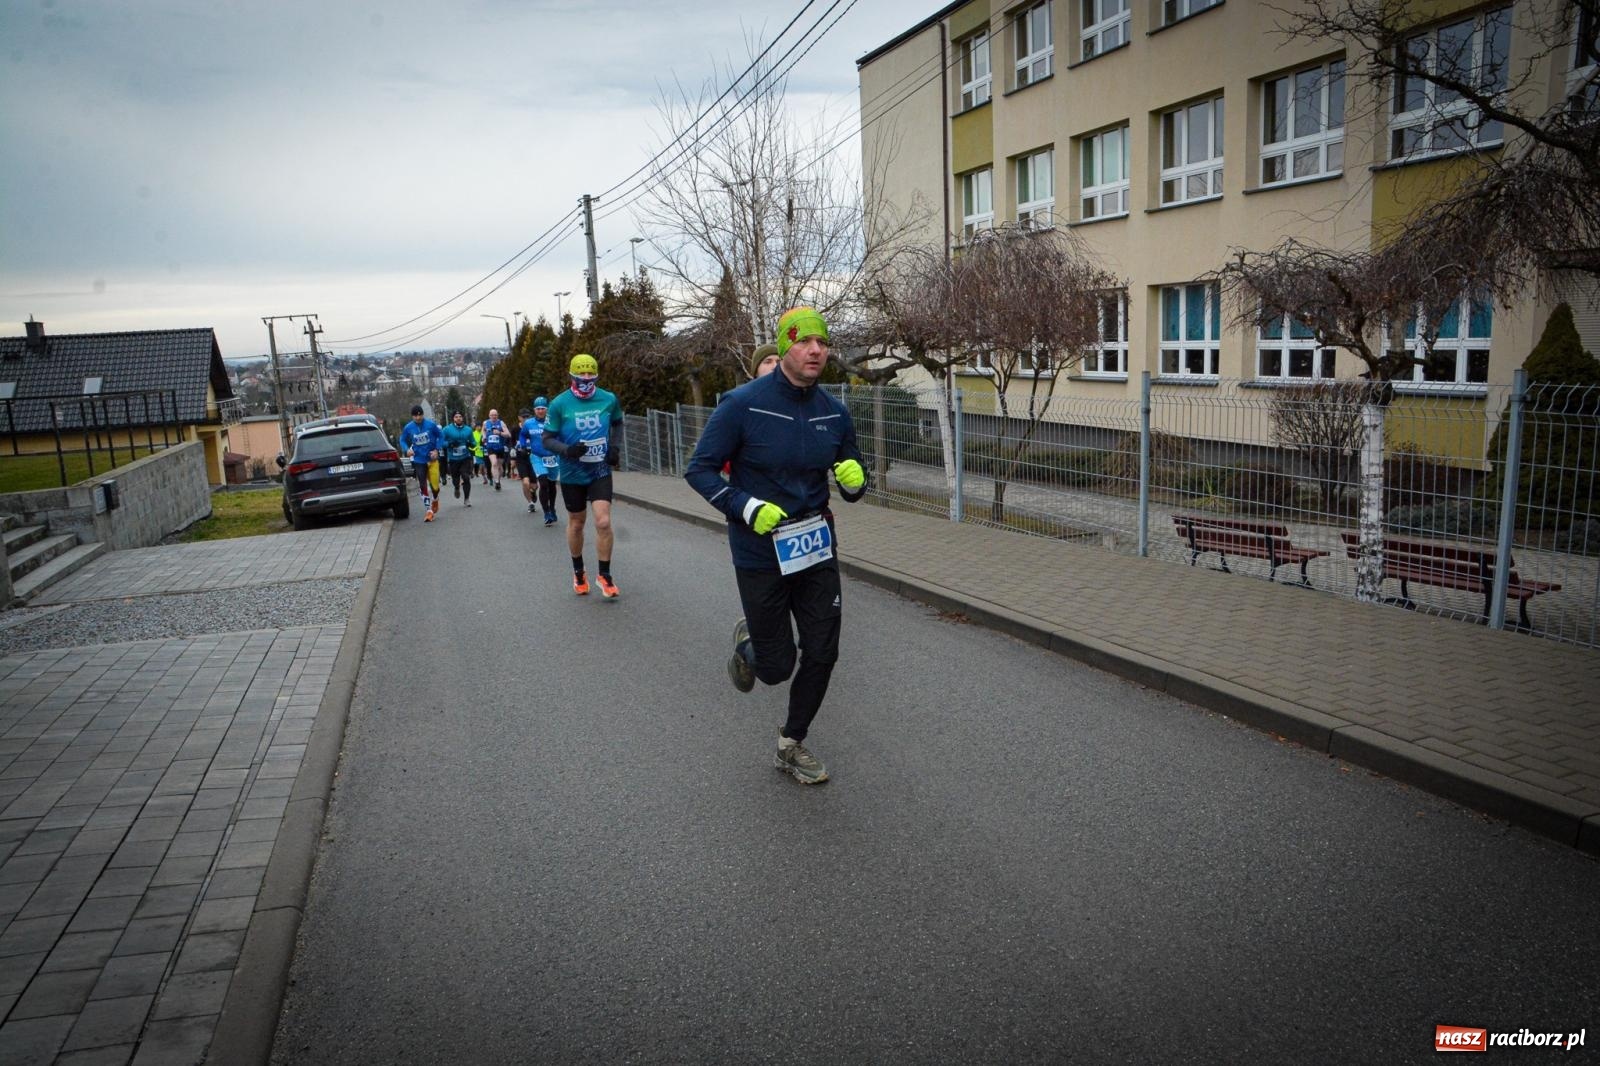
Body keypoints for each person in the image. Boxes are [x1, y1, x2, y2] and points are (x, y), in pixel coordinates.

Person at [684, 307, 867, 785]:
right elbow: (699, 469)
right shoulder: (742, 405)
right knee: (775, 668)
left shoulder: (833, 410)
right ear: (784, 347)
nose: (815, 350)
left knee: (824, 651)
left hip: (815, 545)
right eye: (804, 342)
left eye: (822, 343)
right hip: (760, 550)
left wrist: (855, 481)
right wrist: (745, 507)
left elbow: (851, 473)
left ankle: (791, 742)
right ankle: (751, 647)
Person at [542, 354, 624, 598]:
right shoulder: (559, 404)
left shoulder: (608, 399)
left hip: (599, 470)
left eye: (590, 374)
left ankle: (605, 576)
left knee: (603, 522)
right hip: (572, 472)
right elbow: (546, 439)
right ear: (572, 376)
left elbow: (618, 423)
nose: (586, 378)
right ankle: (578, 570)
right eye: (582, 374)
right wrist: (567, 450)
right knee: (577, 523)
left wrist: (615, 448)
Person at [398, 405, 446, 522]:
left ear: (423, 414)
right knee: (422, 484)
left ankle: (435, 498)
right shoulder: (408, 427)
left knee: (435, 486)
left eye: (420, 415)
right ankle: (429, 511)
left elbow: (441, 436)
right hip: (419, 460)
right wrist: (406, 449)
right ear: (412, 416)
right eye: (415, 415)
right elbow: (402, 440)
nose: (418, 417)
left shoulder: (430, 425)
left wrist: (436, 449)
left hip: (432, 459)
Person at [519, 396, 560, 524]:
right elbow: (522, 434)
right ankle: (546, 512)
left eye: (542, 408)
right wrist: (523, 446)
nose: (540, 411)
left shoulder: (554, 421)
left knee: (552, 485)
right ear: (534, 410)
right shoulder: (529, 423)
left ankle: (552, 508)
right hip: (537, 457)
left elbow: (562, 436)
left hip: (553, 457)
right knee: (543, 483)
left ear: (546, 409)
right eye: (538, 409)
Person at [441, 410, 476, 507]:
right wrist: (450, 444)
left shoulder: (468, 430)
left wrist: (470, 444)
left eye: (460, 416)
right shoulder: (446, 429)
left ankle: (467, 499)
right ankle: (457, 487)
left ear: (462, 418)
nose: (458, 418)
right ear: (453, 418)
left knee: (466, 477)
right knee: (455, 479)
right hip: (453, 459)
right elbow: (440, 442)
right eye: (456, 417)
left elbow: (474, 442)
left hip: (465, 457)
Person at [482, 409, 511, 489]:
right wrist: (484, 437)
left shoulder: (501, 423)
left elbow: (508, 434)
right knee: (494, 463)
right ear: (489, 415)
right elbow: (483, 431)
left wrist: (500, 433)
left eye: (495, 415)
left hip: (500, 447)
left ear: (497, 415)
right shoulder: (485, 423)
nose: (493, 416)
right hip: (490, 447)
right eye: (492, 415)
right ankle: (496, 482)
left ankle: (498, 479)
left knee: (500, 467)